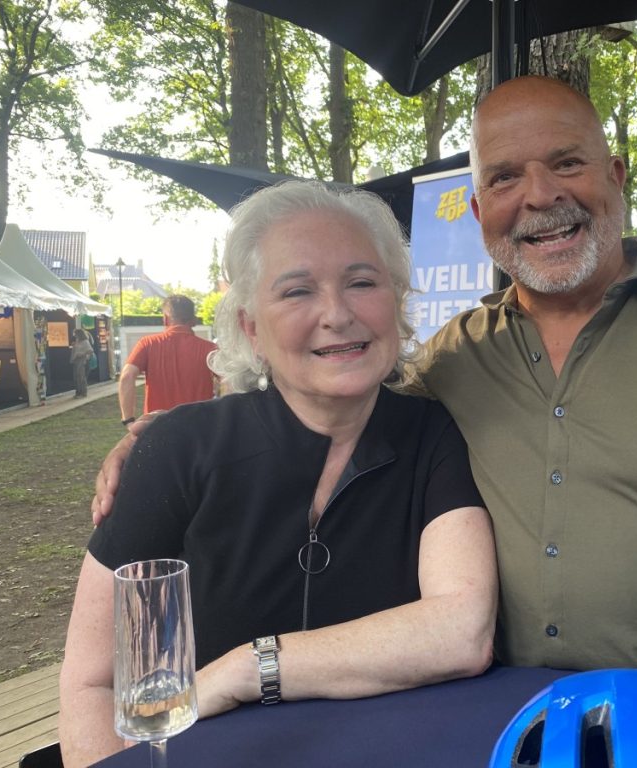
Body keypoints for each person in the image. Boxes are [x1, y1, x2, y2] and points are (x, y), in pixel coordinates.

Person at [93, 76, 637, 716]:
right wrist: (164, 436)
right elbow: (329, 402)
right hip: (497, 732)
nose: (539, 196)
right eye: (505, 177)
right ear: (478, 212)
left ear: (616, 175)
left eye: (567, 163)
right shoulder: (451, 358)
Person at [60, 183, 498, 766]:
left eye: (362, 283)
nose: (337, 314)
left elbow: (461, 631)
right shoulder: (178, 449)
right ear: (250, 328)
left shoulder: (434, 434)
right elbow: (93, 681)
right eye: (297, 291)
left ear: (396, 300)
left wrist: (248, 667)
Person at [118, 294, 217, 426]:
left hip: (158, 427)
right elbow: (229, 382)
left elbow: (127, 376)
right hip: (199, 427)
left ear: (165, 319)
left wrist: (128, 420)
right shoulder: (211, 349)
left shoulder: (147, 344)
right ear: (194, 320)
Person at [70, 329, 94, 398]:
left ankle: (83, 392)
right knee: (76, 377)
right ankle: (78, 392)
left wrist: (82, 354)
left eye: (75, 334)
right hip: (76, 360)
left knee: (81, 377)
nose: (74, 335)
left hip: (81, 360)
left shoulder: (85, 342)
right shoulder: (77, 341)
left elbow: (90, 350)